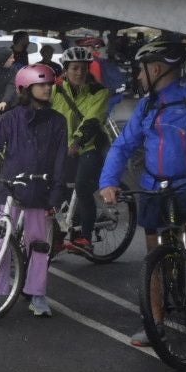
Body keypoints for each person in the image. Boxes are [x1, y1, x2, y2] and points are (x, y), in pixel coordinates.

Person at [99, 38, 186, 344]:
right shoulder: (147, 105)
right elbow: (123, 145)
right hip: (152, 187)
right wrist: (108, 182)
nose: (137, 77)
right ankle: (155, 322)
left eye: (141, 70)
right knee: (154, 259)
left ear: (157, 69)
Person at [0, 64, 67, 317]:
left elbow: (61, 160)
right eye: (41, 85)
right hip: (10, 189)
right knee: (1, 240)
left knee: (39, 245)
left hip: (41, 191)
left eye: (49, 84)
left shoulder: (58, 121)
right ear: (25, 88)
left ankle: (37, 294)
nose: (47, 89)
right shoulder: (10, 119)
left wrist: (57, 192)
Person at [50, 46, 112, 250]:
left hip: (90, 146)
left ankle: (85, 237)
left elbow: (92, 121)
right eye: (75, 68)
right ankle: (58, 236)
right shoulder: (55, 90)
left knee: (82, 185)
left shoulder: (99, 92)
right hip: (62, 148)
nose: (79, 72)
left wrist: (76, 143)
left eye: (84, 68)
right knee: (56, 188)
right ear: (65, 69)